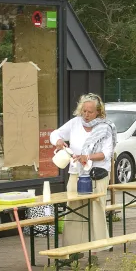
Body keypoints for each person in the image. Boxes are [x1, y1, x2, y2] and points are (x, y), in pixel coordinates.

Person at [48, 93, 114, 244]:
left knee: (95, 210)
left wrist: (88, 157)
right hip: (76, 172)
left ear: (98, 111)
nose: (86, 114)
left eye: (90, 112)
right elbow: (55, 133)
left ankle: (96, 249)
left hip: (97, 174)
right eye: (84, 111)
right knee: (73, 209)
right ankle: (73, 248)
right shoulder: (75, 123)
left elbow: (107, 153)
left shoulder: (105, 127)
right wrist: (58, 141)